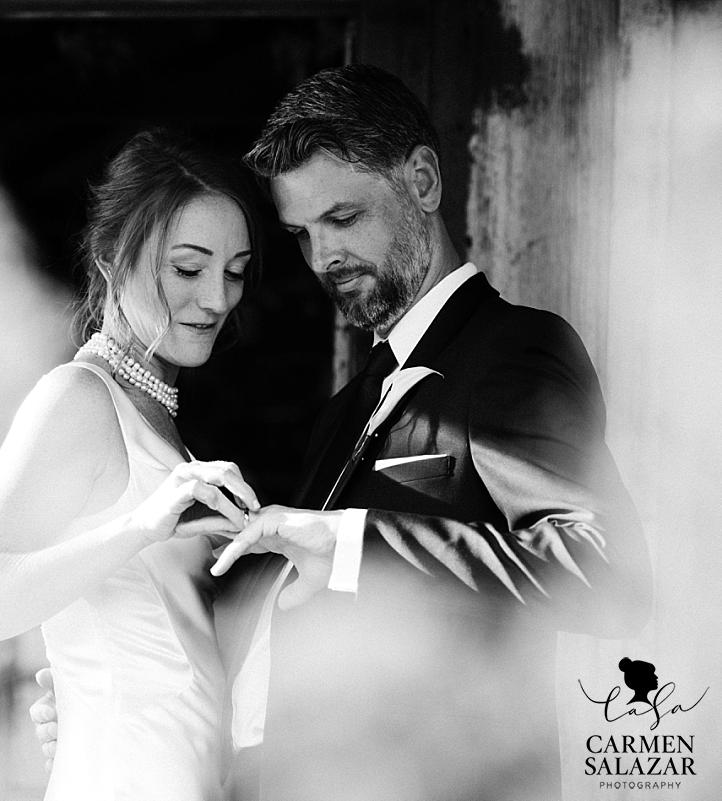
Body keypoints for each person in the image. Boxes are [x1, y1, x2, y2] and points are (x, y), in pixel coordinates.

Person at [34, 66, 653, 801]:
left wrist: (353, 540)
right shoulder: (345, 409)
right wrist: (132, 699)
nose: (323, 257)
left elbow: (605, 573)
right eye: (300, 233)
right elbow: (283, 624)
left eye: (344, 218)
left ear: (422, 180)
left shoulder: (515, 351)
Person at [0, 128, 266, 800]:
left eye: (235, 271)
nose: (220, 299)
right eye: (189, 268)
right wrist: (141, 524)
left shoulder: (166, 432)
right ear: (112, 257)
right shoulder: (77, 400)